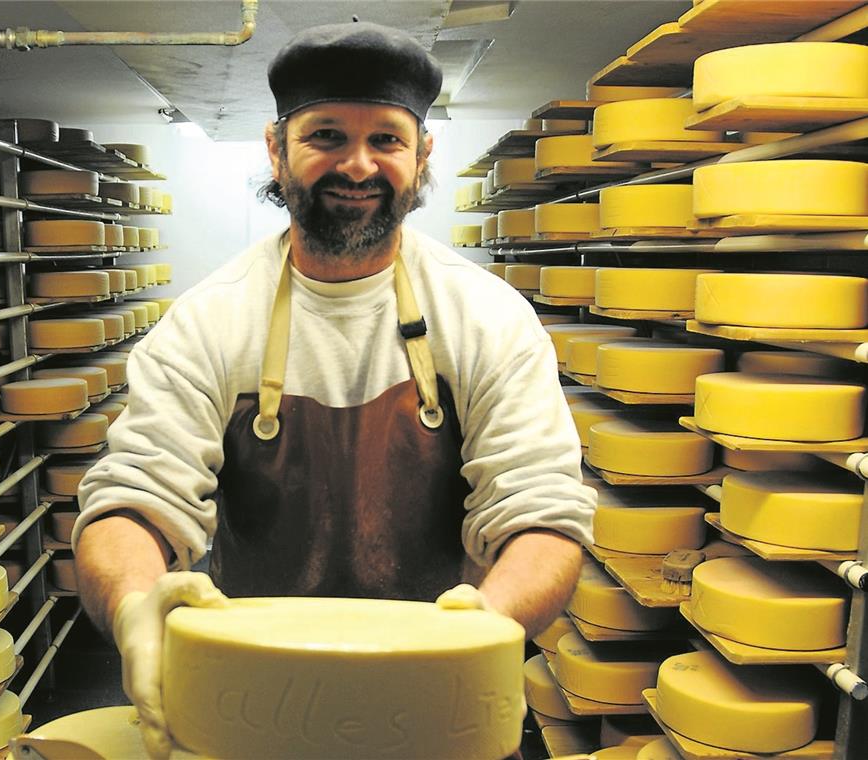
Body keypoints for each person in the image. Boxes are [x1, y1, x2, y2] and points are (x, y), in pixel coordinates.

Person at [74, 20, 595, 759]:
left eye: (386, 139)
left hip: (440, 697)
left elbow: (543, 514)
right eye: (325, 136)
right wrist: (133, 609)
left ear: (421, 157)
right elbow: (133, 498)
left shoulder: (487, 318)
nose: (358, 165)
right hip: (254, 701)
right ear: (276, 148)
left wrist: (483, 626)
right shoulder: (210, 319)